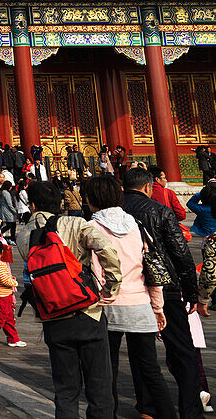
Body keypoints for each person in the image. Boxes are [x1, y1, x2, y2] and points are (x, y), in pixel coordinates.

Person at [18, 181, 120, 419]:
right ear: (60, 203)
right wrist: (112, 286)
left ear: (31, 205)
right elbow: (106, 248)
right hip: (88, 311)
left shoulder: (24, 235)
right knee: (100, 385)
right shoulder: (76, 223)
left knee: (65, 388)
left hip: (53, 314)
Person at [84, 174, 174, 419]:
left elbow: (94, 272)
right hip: (140, 303)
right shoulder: (137, 226)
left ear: (91, 200)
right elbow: (151, 269)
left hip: (107, 305)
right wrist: (157, 307)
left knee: (107, 370)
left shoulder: (91, 228)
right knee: (150, 370)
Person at [121, 167, 203, 419]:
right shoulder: (161, 211)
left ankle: (148, 407)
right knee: (182, 350)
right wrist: (191, 293)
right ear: (148, 187)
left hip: (132, 290)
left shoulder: (115, 214)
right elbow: (181, 255)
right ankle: (190, 409)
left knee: (141, 352)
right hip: (166, 288)